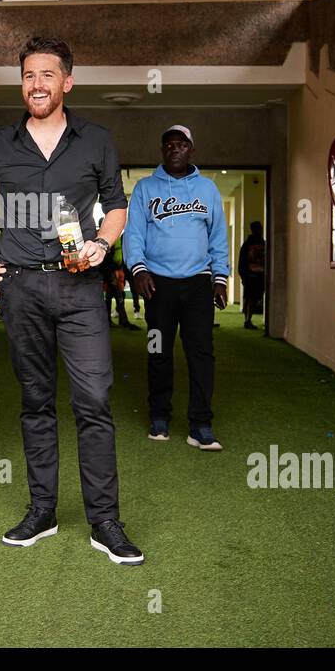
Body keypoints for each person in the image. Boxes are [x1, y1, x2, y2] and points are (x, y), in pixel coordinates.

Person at [0, 36, 144, 566]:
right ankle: (43, 510)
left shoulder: (97, 140)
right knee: (35, 402)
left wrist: (102, 244)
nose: (36, 84)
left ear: (67, 82)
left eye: (47, 75)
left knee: (95, 402)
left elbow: (116, 207)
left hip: (81, 288)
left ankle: (105, 521)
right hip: (21, 288)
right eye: (28, 76)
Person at [124, 125, 229, 451]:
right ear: (162, 151)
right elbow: (134, 233)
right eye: (168, 145)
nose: (174, 149)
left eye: (181, 144)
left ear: (191, 151)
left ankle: (200, 425)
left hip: (198, 284)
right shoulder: (145, 188)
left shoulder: (208, 191)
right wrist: (137, 269)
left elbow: (218, 237)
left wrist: (220, 278)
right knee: (158, 351)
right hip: (159, 285)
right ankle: (159, 416)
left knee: (201, 354)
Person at [102, 237, 138, 329]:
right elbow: (107, 257)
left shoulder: (116, 238)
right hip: (110, 271)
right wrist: (114, 270)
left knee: (116, 295)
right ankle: (118, 321)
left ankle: (114, 321)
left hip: (114, 270)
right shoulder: (108, 239)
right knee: (116, 296)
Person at [238, 220, 266, 330]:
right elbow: (242, 262)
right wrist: (244, 276)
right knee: (250, 298)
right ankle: (247, 320)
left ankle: (248, 319)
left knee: (253, 298)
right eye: (259, 228)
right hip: (251, 275)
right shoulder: (247, 245)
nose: (261, 230)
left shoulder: (263, 243)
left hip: (260, 275)